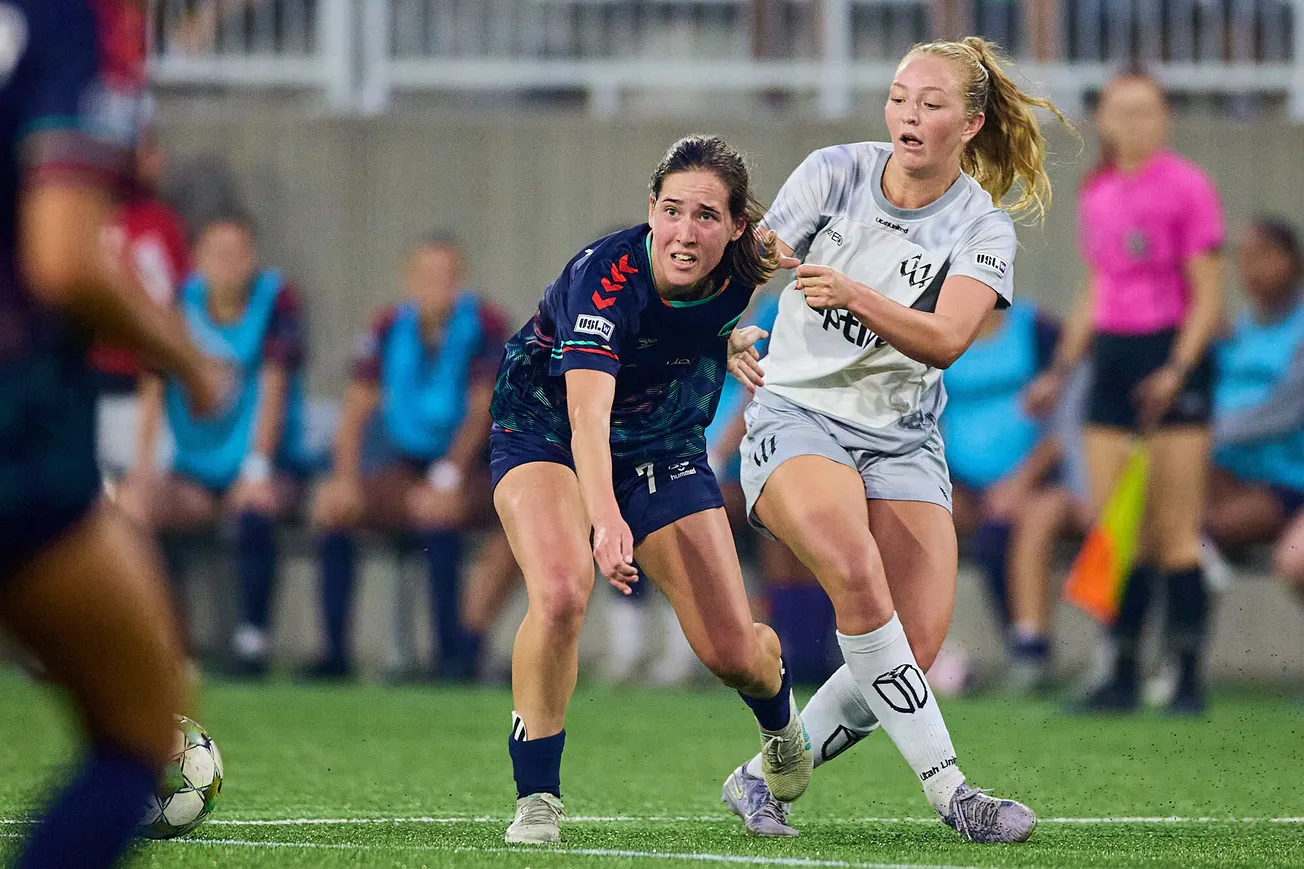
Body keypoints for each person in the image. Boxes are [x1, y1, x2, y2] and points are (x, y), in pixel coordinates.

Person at [719, 37, 1071, 841]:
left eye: (931, 103)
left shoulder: (982, 228)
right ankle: (955, 793)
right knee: (854, 567)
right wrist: (724, 327)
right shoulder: (834, 171)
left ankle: (758, 778)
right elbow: (748, 263)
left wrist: (851, 292)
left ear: (970, 124)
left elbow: (946, 339)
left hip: (905, 442)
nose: (909, 114)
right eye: (899, 97)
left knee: (910, 645)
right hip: (797, 416)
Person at [489, 134, 811, 845]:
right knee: (562, 591)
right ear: (651, 210)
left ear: (737, 226)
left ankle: (781, 719)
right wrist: (605, 519)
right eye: (671, 210)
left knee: (732, 653)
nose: (684, 232)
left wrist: (720, 339)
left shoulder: (755, 260)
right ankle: (538, 796)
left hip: (663, 441)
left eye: (705, 215)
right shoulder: (603, 280)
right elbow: (587, 415)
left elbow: (713, 309)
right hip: (546, 430)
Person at [0, 1, 225, 865]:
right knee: (140, 726)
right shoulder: (82, 17)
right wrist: (190, 358)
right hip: (17, 418)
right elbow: (64, 261)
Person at [1025, 71, 1224, 715]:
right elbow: (1096, 286)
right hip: (1111, 358)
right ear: (1104, 120)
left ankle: (1187, 674)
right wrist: (1060, 370)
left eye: (1146, 111)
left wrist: (1177, 369)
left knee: (1175, 530)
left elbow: (1208, 295)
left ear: (1165, 118)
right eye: (1121, 111)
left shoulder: (1189, 187)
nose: (1133, 123)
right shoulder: (1098, 191)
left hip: (1170, 354)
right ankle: (1121, 672)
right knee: (1119, 528)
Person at [118, 212, 311, 677]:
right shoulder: (176, 306)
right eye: (217, 254)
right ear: (198, 260)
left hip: (262, 467)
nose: (228, 264)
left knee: (257, 504)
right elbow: (153, 387)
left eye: (237, 254)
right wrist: (145, 465)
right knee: (132, 505)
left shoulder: (277, 302)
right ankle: (168, 640)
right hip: (196, 472)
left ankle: (252, 640)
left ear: (253, 258)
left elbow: (274, 390)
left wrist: (258, 467)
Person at [309, 235, 507, 681]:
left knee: (441, 511)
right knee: (335, 509)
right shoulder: (387, 327)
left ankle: (450, 655)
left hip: (472, 467)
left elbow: (483, 408)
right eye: (427, 276)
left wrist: (450, 472)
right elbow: (356, 409)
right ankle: (334, 656)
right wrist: (344, 478)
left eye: (447, 277)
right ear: (409, 281)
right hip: (405, 465)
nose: (437, 286)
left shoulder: (485, 325)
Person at [942, 302, 1064, 690]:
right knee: (910, 521)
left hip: (1036, 481)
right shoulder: (937, 332)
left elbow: (1069, 417)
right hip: (960, 485)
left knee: (1020, 527)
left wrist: (1022, 481)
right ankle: (915, 655)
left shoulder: (1037, 330)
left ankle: (1031, 647)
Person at [1204, 218, 1304, 607]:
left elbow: (1285, 412)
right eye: (1243, 258)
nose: (1251, 269)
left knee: (1198, 531)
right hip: (1230, 475)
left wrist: (1206, 433)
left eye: (1263, 255)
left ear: (1291, 259)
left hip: (1287, 482)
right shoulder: (1236, 331)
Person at [89, 119, 191, 484]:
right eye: (149, 152)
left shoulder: (162, 223)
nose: (159, 161)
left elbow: (179, 304)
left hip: (145, 390)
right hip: (83, 386)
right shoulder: (81, 218)